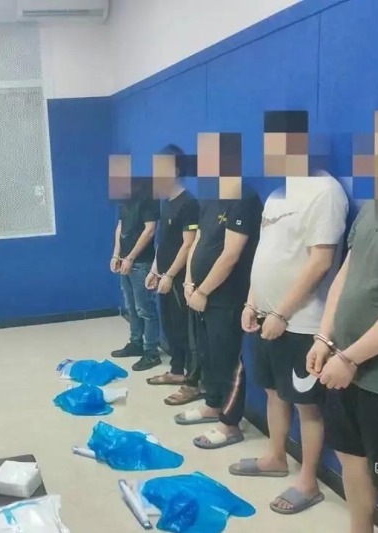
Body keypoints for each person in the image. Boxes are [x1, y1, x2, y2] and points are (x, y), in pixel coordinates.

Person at [308, 109, 378, 533]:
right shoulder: (374, 205)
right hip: (343, 369)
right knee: (352, 465)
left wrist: (350, 358)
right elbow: (345, 276)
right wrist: (325, 338)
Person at [228, 142, 347, 515]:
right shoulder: (277, 194)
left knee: (306, 405)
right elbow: (265, 254)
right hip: (267, 315)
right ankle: (275, 457)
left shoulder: (325, 191)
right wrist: (252, 302)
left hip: (302, 322)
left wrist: (282, 312)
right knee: (273, 392)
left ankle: (308, 482)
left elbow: (321, 262)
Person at [177, 132, 263, 450]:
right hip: (199, 294)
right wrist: (189, 283)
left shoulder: (245, 199)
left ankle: (230, 423)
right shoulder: (211, 198)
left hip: (227, 298)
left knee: (228, 359)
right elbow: (198, 241)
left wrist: (204, 292)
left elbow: (231, 254)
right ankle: (212, 404)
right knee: (208, 354)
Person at [144, 145, 202, 405]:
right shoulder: (166, 203)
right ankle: (176, 371)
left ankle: (192, 381)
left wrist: (169, 275)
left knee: (184, 331)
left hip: (180, 280)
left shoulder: (189, 203)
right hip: (165, 277)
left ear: (176, 170)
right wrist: (155, 270)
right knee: (169, 327)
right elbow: (163, 242)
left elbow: (188, 245)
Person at [110, 178, 161, 371]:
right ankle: (136, 343)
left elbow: (150, 230)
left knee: (145, 309)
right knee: (131, 306)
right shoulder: (125, 199)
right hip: (125, 261)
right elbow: (120, 227)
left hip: (141, 263)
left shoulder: (149, 196)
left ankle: (151, 352)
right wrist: (117, 255)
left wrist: (131, 257)